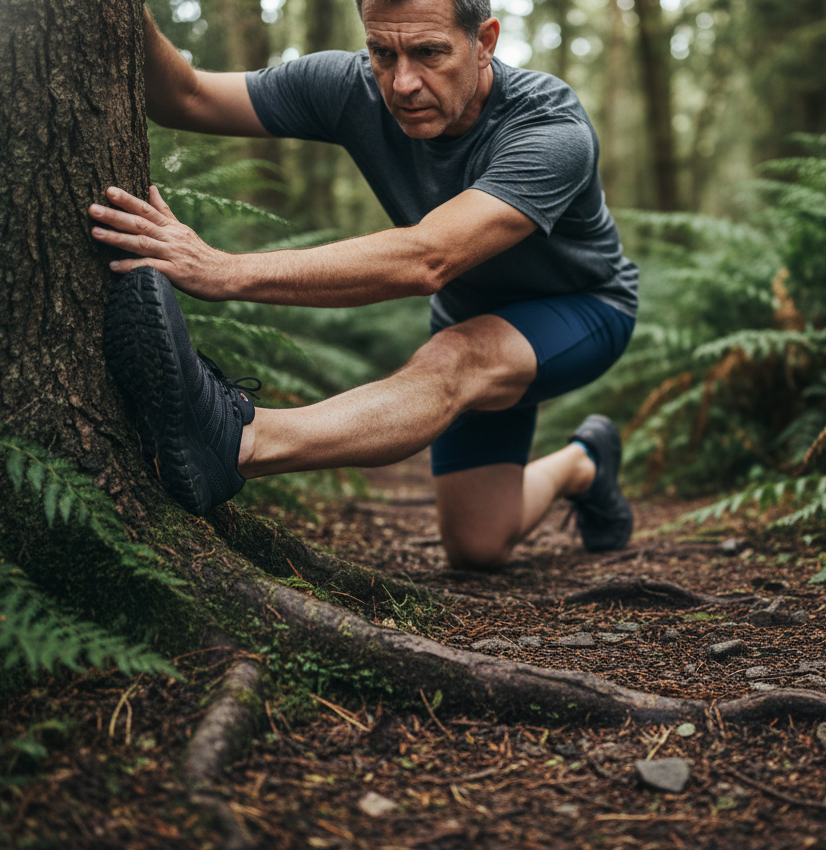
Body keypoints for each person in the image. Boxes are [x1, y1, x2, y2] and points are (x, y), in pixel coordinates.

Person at [89, 0, 638, 568]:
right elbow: (185, 97)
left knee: (456, 356)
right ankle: (583, 463)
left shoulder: (550, 128)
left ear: (485, 42)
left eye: (429, 53)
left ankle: (239, 439)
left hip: (586, 308)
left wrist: (222, 270)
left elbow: (429, 259)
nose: (403, 83)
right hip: (470, 311)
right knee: (477, 545)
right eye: (382, 52)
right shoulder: (349, 88)